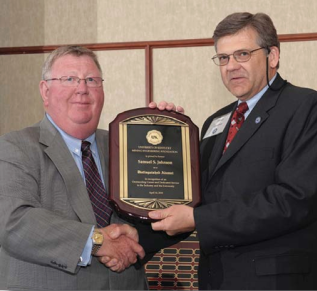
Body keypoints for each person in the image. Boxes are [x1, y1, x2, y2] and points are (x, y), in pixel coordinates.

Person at [148, 12, 317, 290]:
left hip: (277, 280)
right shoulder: (214, 122)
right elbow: (193, 196)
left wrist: (198, 219)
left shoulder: (306, 107)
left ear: (272, 56)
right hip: (216, 279)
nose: (231, 66)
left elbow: (294, 200)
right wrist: (169, 134)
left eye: (242, 54)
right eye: (223, 58)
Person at [0, 45, 185, 290]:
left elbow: (170, 210)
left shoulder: (125, 145)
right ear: (45, 91)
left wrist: (171, 136)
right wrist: (97, 241)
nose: (82, 89)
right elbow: (14, 222)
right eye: (69, 79)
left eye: (92, 80)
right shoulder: (15, 147)